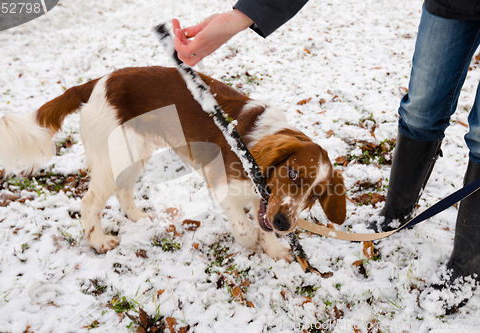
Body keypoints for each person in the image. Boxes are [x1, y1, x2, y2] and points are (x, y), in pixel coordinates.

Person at [173, 0, 480, 311]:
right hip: (451, 5)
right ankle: (397, 214)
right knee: (418, 114)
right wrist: (243, 15)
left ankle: (468, 263)